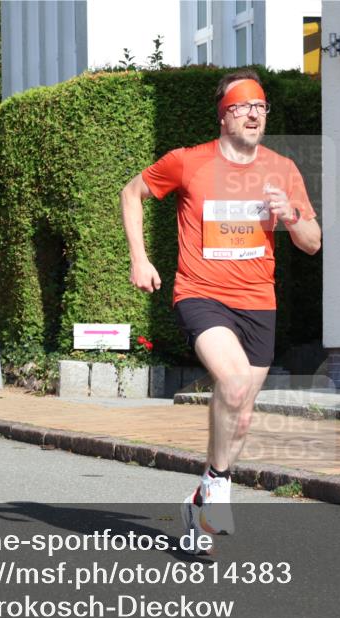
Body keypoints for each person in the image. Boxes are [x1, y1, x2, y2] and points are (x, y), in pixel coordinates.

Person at [119, 69, 321, 550]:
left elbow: (312, 243)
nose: (254, 114)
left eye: (261, 107)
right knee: (230, 384)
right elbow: (132, 193)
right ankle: (219, 489)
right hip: (200, 293)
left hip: (258, 303)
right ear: (223, 114)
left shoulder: (283, 170)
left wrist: (289, 215)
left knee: (243, 414)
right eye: (243, 106)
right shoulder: (188, 163)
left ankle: (201, 497)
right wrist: (139, 258)